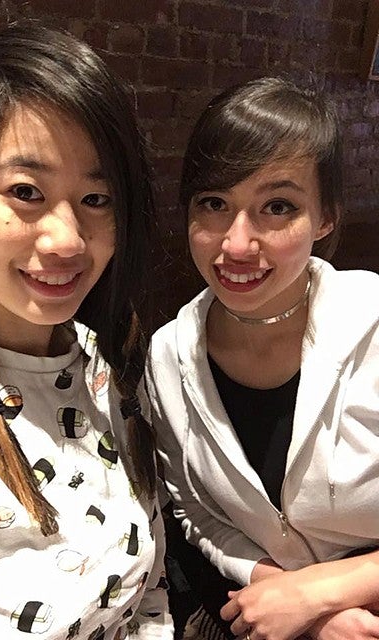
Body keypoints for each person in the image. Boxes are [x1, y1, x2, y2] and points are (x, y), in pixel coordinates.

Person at [0, 23, 173, 640]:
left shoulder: (111, 368)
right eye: (26, 192)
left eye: (97, 198)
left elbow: (148, 596)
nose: (68, 240)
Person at [146, 76, 379, 640]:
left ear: (325, 218)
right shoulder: (169, 353)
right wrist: (278, 594)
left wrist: (322, 594)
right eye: (214, 204)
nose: (237, 244)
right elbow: (194, 513)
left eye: (277, 207)